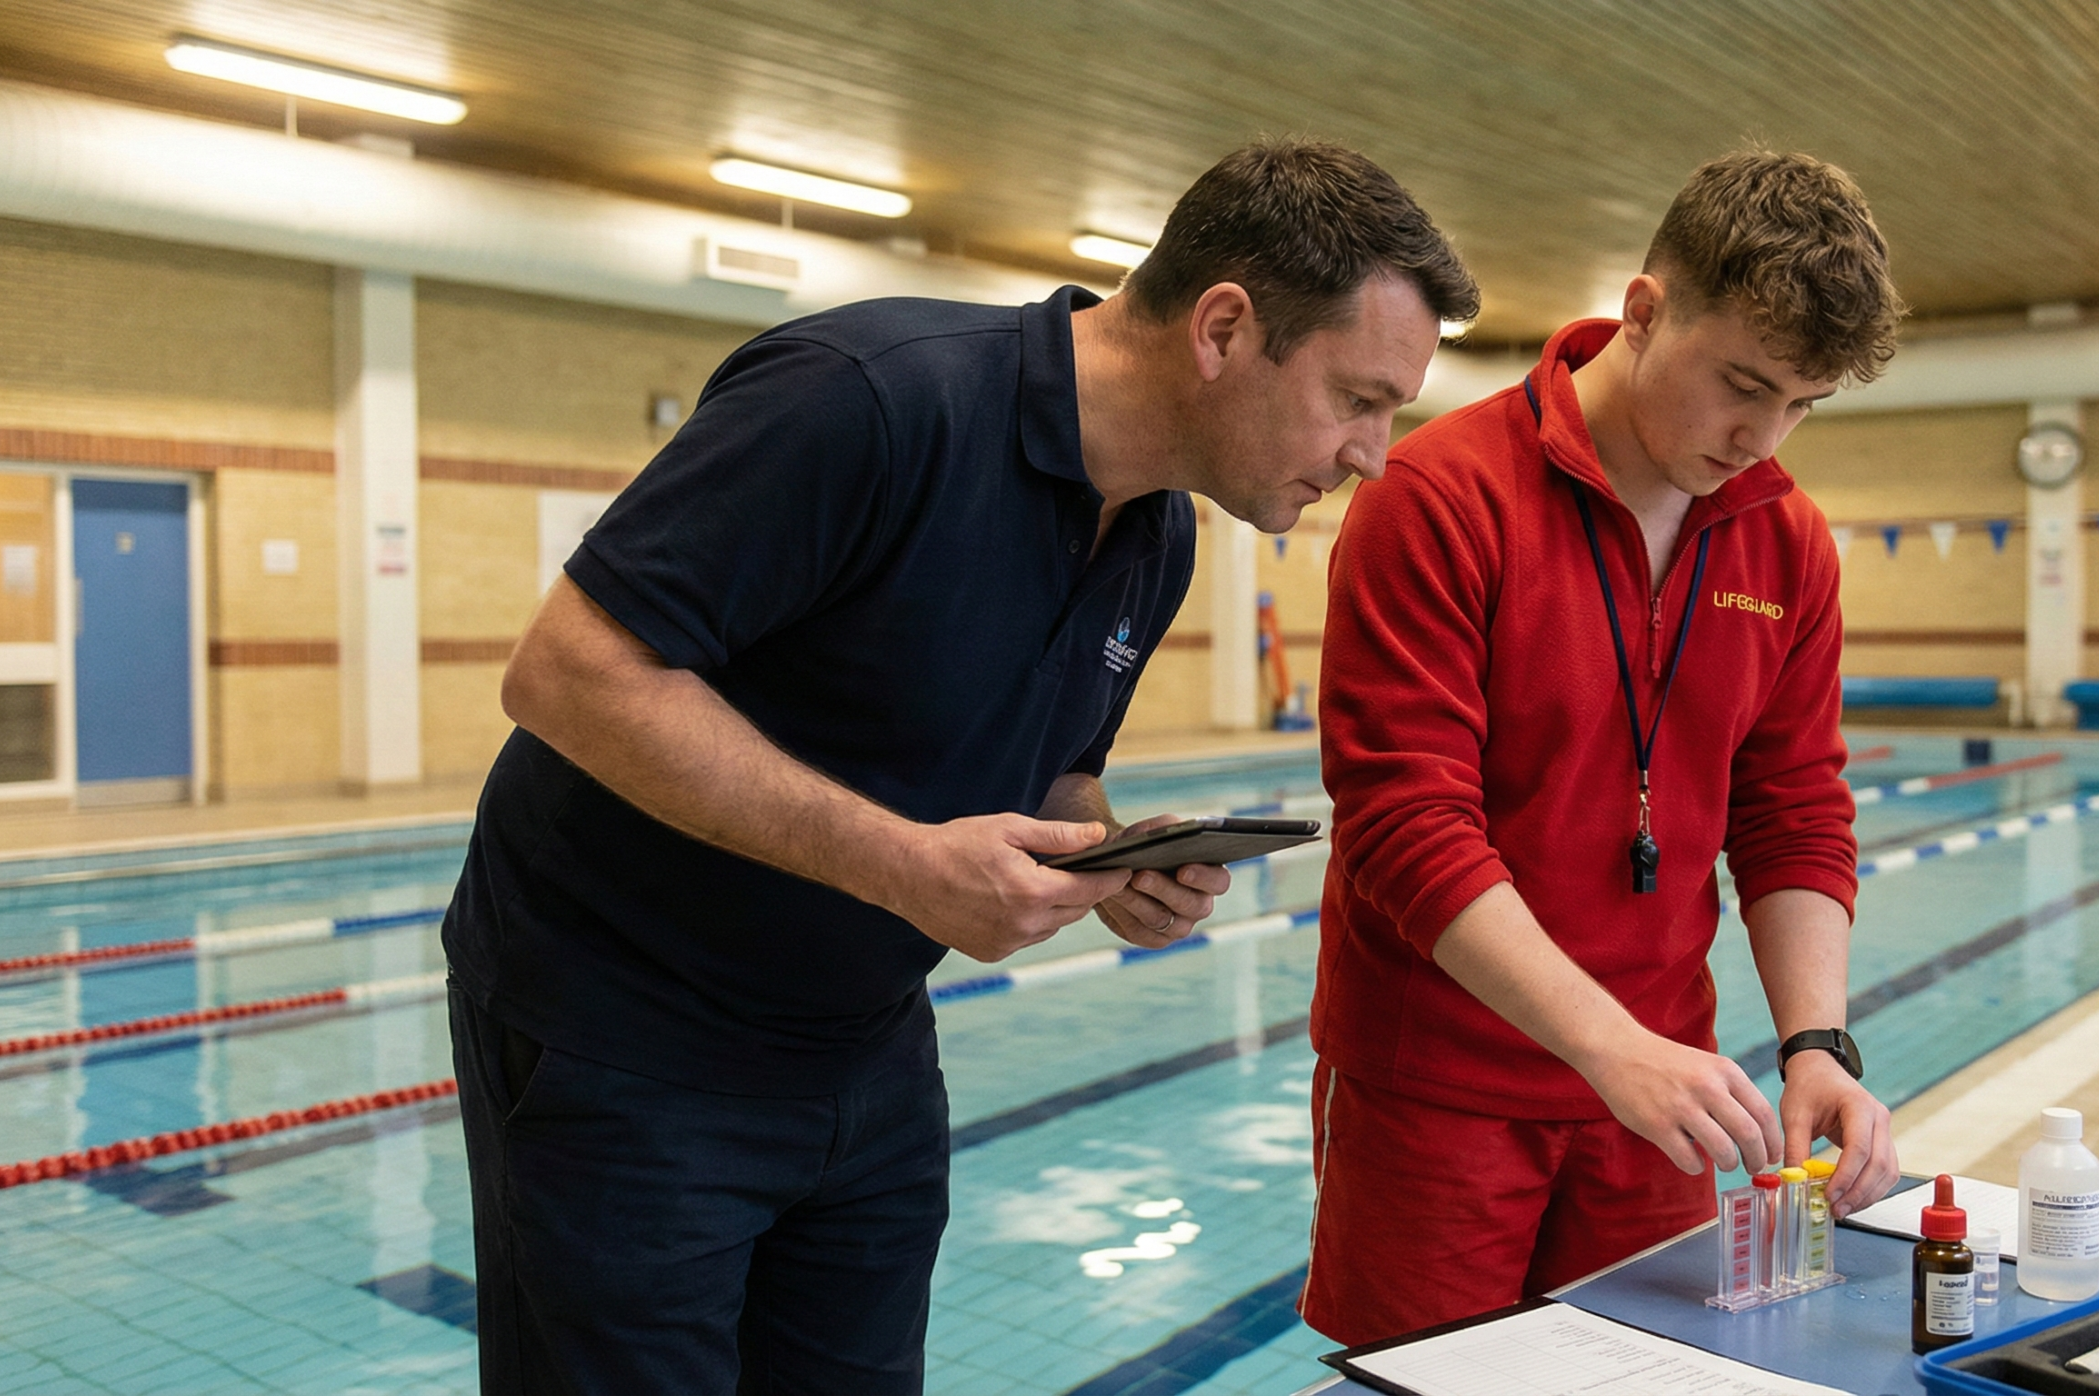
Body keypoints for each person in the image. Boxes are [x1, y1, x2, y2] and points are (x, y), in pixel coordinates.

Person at [440, 139, 1478, 1393]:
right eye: (1358, 398)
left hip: (864, 1046)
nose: (1373, 451)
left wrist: (1103, 852)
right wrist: (900, 863)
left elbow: (1054, 766)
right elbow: (566, 675)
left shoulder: (1153, 536)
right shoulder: (866, 399)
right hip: (624, 1040)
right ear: (1222, 328)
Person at [1303, 150, 1904, 1343]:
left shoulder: (1784, 542)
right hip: (1442, 1092)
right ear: (1642, 310)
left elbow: (1791, 811)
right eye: (1742, 382)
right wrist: (1607, 1046)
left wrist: (1815, 1043)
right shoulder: (1438, 496)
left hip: (1658, 1100)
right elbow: (1404, 825)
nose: (1763, 434)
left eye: (1801, 402)